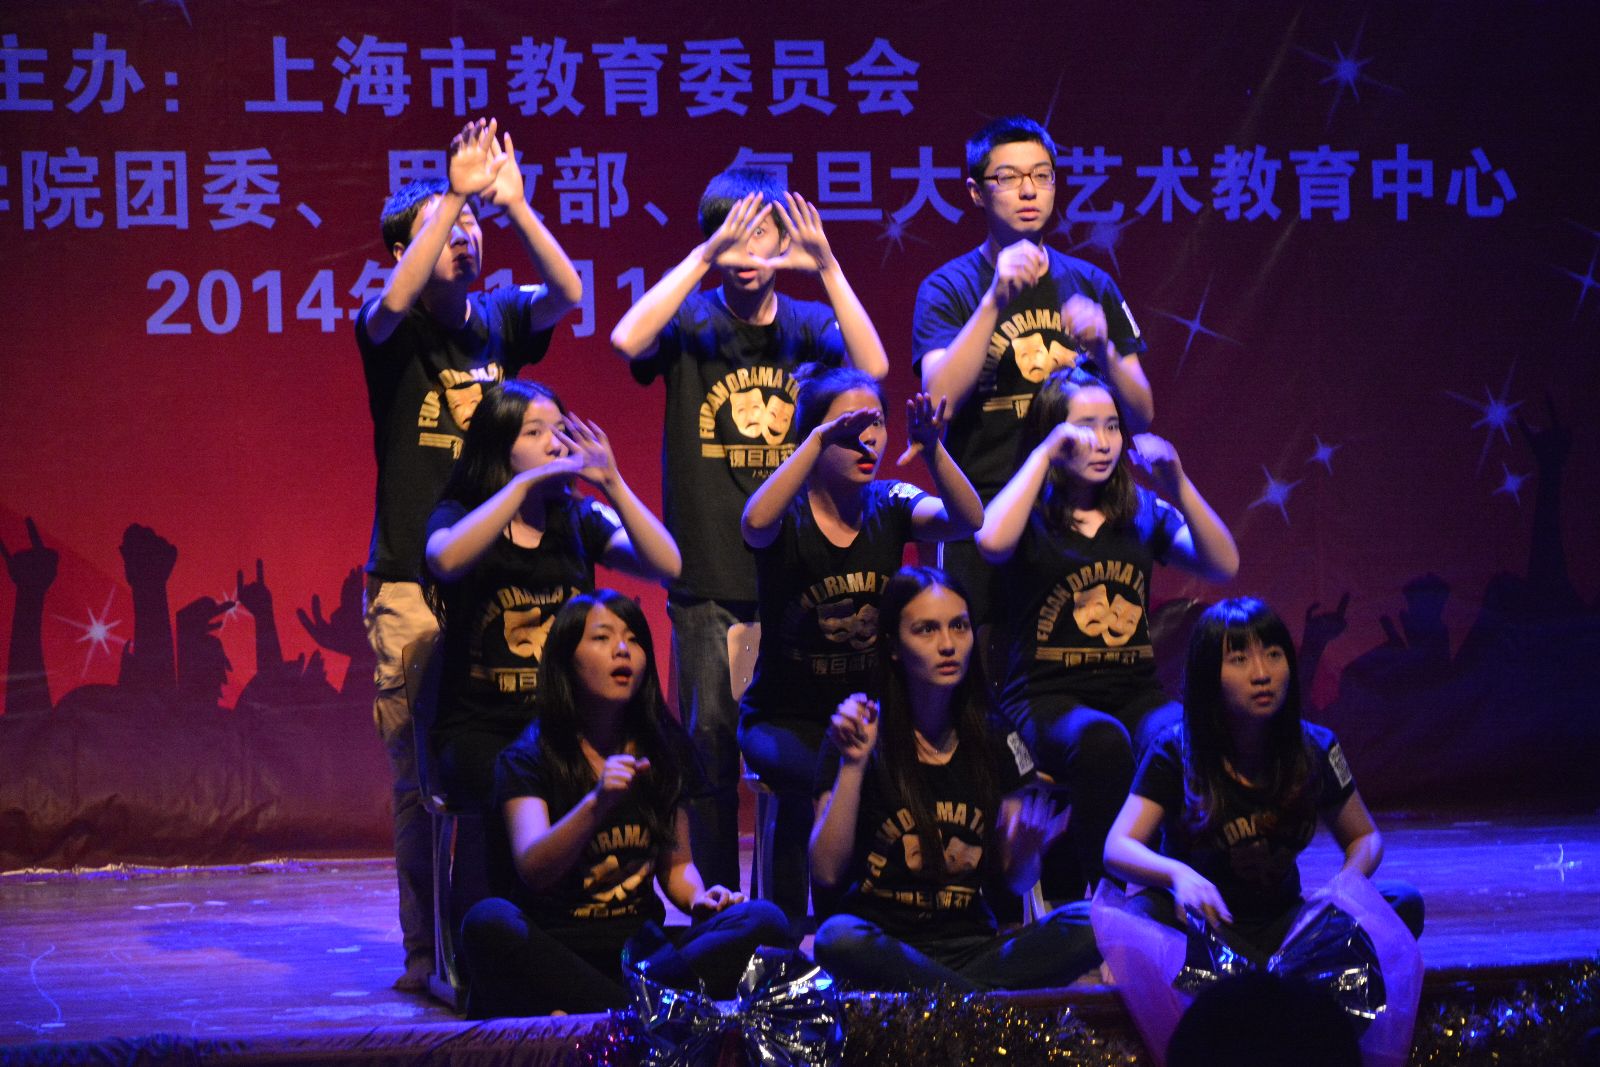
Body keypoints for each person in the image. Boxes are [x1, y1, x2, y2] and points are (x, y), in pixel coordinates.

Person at [610, 167, 889, 892]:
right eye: (731, 234)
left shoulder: (807, 325)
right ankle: (722, 907)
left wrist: (826, 265)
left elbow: (874, 367)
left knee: (795, 747)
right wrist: (706, 255)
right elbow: (627, 337)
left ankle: (790, 905)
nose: (747, 249)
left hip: (796, 574)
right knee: (708, 750)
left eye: (760, 232)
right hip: (709, 573)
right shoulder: (692, 322)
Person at [356, 117, 584, 991]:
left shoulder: (499, 320)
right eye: (447, 229)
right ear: (408, 248)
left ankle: (520, 934)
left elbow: (566, 291)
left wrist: (514, 206)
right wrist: (452, 193)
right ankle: (430, 952)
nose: (466, 238)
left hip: (502, 586)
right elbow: (389, 306)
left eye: (472, 227)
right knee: (423, 781)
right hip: (413, 584)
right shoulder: (393, 332)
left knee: (527, 754)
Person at [460, 591, 792, 1018]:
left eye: (633, 639)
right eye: (602, 637)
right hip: (558, 954)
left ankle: (611, 1014)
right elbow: (533, 866)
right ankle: (642, 1015)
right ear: (566, 659)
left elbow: (676, 866)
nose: (622, 649)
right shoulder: (530, 757)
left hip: (642, 955)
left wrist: (699, 898)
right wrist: (596, 803)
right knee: (487, 923)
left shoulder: (663, 750)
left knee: (765, 920)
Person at [977, 368, 1239, 898]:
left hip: (1134, 693)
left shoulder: (1139, 510)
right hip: (1046, 697)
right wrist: (1043, 456)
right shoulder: (1028, 508)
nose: (1102, 442)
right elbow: (991, 542)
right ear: (1053, 431)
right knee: (1102, 741)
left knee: (1183, 736)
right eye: (1084, 426)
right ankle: (1107, 897)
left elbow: (1222, 564)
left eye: (1113, 426)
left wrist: (1178, 484)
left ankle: (1188, 893)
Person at [737, 368, 982, 919]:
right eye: (849, 428)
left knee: (891, 769)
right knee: (829, 776)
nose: (867, 439)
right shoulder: (787, 510)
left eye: (876, 425)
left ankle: (864, 926)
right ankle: (790, 934)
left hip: (872, 714)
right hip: (785, 719)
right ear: (815, 435)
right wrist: (815, 441)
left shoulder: (890, 502)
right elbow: (753, 523)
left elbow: (969, 519)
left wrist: (935, 451)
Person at [809, 567, 1101, 991]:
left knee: (1093, 921)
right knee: (837, 938)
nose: (947, 644)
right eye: (926, 629)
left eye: (959, 627)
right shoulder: (860, 729)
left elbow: (1016, 882)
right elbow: (825, 872)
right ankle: (978, 1003)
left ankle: (955, 998)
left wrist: (1026, 856)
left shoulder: (997, 737)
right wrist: (853, 765)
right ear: (894, 646)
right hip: (885, 948)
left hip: (971, 949)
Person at [913, 115, 1153, 624]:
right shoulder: (948, 287)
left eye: (1042, 176)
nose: (1029, 191)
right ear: (976, 192)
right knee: (981, 661)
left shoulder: (1091, 282)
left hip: (1078, 514)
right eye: (1008, 177)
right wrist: (994, 301)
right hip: (983, 511)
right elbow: (938, 403)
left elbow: (1142, 414)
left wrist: (1106, 351)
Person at [1103, 596, 1424, 965]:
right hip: (1204, 927)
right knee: (1136, 917)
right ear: (1208, 674)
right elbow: (1118, 847)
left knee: (1402, 901)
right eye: (1239, 660)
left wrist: (1343, 886)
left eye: (1273, 654)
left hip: (1285, 926)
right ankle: (1274, 974)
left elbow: (1365, 837)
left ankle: (1270, 970)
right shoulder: (1176, 749)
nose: (1261, 674)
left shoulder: (1316, 747)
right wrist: (1178, 875)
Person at [423, 380, 680, 808]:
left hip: (566, 727)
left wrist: (612, 482)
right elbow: (445, 560)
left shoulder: (577, 517)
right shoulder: (459, 514)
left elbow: (666, 566)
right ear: (499, 444)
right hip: (484, 730)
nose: (556, 444)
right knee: (523, 788)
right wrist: (522, 487)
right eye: (534, 432)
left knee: (654, 765)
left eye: (560, 430)